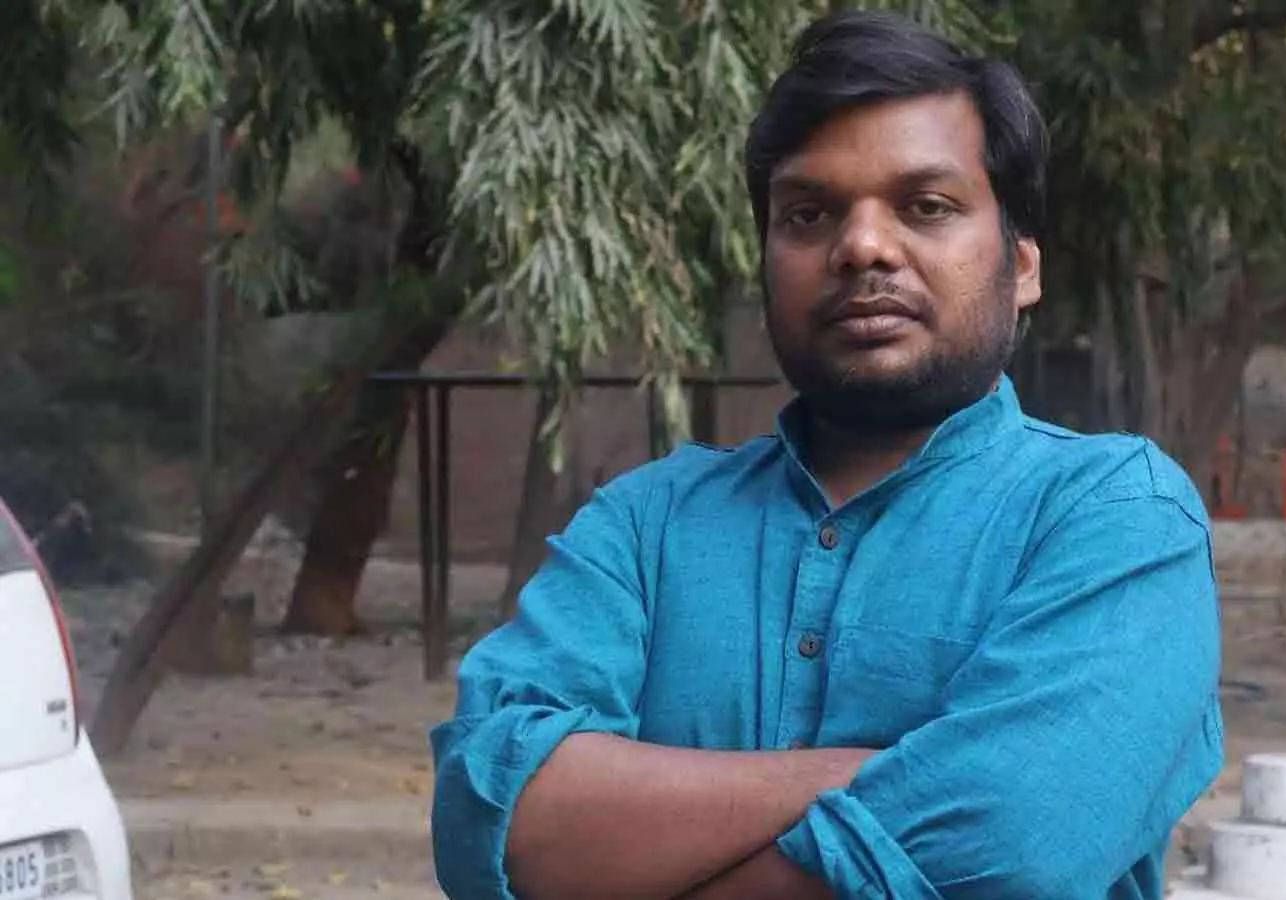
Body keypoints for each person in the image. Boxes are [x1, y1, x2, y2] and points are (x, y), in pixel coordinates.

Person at [430, 11, 1223, 900]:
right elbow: (493, 813)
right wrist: (886, 774)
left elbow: (1011, 841)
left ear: (1023, 265)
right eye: (808, 215)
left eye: (926, 207)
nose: (862, 247)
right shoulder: (646, 525)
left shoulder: (1114, 513)